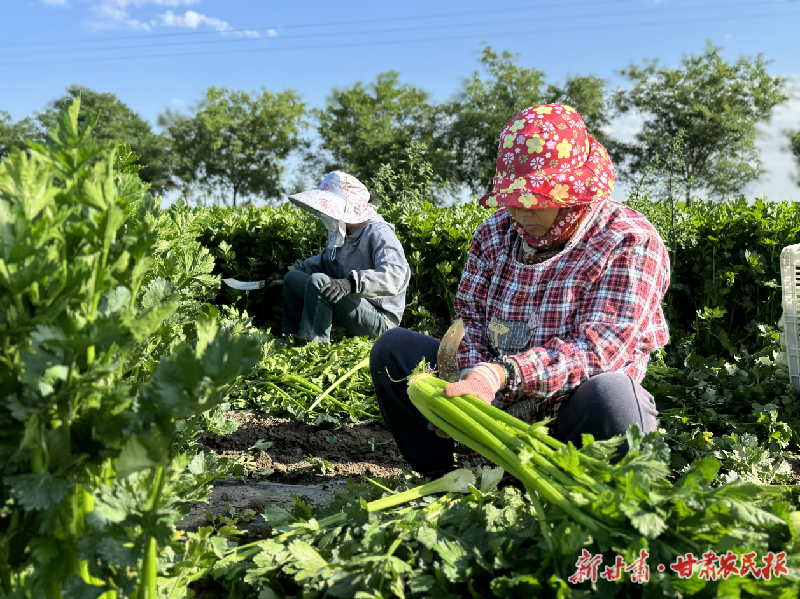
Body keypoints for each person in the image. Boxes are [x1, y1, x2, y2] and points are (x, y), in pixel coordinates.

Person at [369, 104, 671, 477]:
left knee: (614, 398)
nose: (521, 213)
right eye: (514, 200)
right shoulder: (495, 233)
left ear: (573, 193)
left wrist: (500, 374)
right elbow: (473, 322)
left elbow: (598, 352)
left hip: (571, 412)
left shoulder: (627, 240)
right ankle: (451, 479)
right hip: (494, 401)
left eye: (536, 200)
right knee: (393, 350)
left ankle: (602, 491)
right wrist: (467, 387)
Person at [267, 171, 411, 344]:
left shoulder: (379, 232)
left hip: (380, 320)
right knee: (292, 279)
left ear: (350, 207)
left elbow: (394, 277)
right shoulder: (344, 232)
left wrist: (351, 283)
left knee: (318, 282)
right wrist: (288, 270)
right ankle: (290, 339)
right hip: (353, 307)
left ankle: (313, 347)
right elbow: (324, 262)